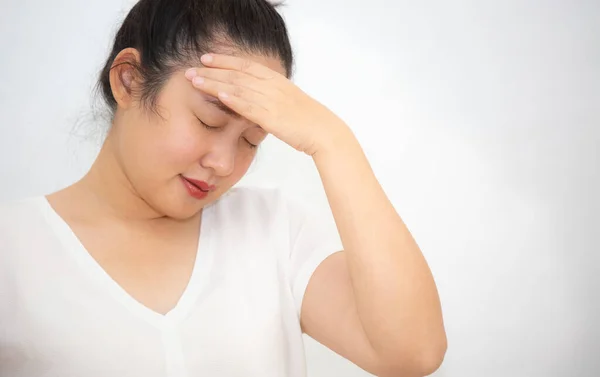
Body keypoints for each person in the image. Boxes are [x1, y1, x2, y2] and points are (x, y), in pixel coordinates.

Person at [0, 0, 447, 376]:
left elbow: (412, 352)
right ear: (130, 80)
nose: (225, 162)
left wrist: (333, 141)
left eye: (252, 140)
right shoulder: (13, 249)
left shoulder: (275, 229)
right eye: (208, 120)